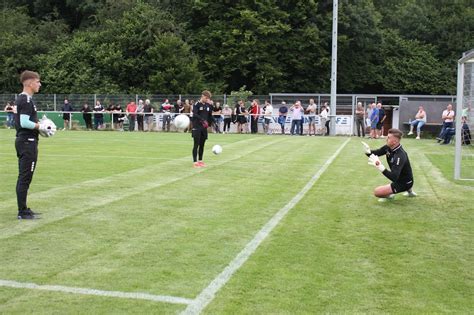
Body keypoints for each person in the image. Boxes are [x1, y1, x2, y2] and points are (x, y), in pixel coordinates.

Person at [14, 70, 51, 219]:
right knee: (25, 177)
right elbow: (24, 122)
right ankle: (22, 212)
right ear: (29, 83)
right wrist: (40, 127)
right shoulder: (25, 100)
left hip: (27, 141)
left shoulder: (26, 99)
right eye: (37, 81)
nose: (39, 84)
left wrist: (39, 124)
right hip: (26, 142)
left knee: (26, 176)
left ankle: (24, 209)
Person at [362, 128, 417, 202]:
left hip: (404, 183)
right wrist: (368, 152)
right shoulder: (388, 147)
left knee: (377, 192)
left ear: (394, 141)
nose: (386, 139)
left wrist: (380, 167)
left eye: (388, 138)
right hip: (403, 179)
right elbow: (377, 152)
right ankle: (409, 191)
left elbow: (394, 177)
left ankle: (391, 195)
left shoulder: (400, 155)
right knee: (403, 175)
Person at [191, 90, 214, 168]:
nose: (207, 99)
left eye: (208, 98)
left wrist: (211, 123)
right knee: (196, 144)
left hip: (204, 128)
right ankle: (195, 162)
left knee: (202, 145)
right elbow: (195, 114)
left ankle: (200, 161)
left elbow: (210, 116)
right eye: (206, 98)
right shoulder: (196, 104)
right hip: (197, 127)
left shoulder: (208, 105)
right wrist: (202, 120)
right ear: (203, 96)